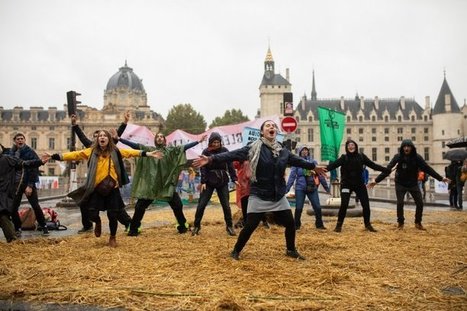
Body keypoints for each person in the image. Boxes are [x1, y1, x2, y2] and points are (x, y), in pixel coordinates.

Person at [193, 120, 327, 260]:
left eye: (274, 126)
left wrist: (313, 167)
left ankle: (291, 250)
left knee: (290, 223)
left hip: (277, 194)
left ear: (276, 131)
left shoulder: (282, 150)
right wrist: (210, 159)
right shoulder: (253, 148)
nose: (272, 127)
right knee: (250, 225)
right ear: (262, 132)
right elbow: (231, 155)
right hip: (259, 194)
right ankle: (235, 251)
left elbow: (297, 160)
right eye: (268, 125)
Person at [48, 130, 162, 247]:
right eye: (100, 136)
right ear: (98, 140)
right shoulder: (91, 151)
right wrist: (55, 156)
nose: (102, 137)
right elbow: (75, 154)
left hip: (112, 188)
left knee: (113, 215)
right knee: (91, 212)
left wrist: (148, 154)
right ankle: (97, 222)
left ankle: (112, 237)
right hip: (96, 188)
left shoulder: (116, 151)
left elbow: (131, 152)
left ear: (109, 139)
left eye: (104, 136)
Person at [116, 127, 207, 236]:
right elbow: (135, 146)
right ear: (155, 140)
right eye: (157, 137)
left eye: (161, 137)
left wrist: (198, 141)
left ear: (164, 140)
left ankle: (182, 226)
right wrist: (120, 139)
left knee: (177, 205)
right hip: (152, 185)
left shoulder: (171, 151)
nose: (159, 138)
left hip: (166, 185)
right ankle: (134, 229)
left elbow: (183, 147)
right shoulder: (149, 150)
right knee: (140, 206)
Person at [369, 139, 450, 230]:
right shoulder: (398, 157)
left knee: (420, 203)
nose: (406, 148)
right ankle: (400, 223)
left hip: (412, 183)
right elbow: (387, 170)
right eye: (404, 147)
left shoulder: (417, 157)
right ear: (402, 148)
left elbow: (427, 169)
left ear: (412, 148)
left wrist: (440, 178)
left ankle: (418, 222)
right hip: (400, 183)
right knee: (400, 203)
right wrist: (376, 181)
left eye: (408, 146)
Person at [71, 113, 132, 233]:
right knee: (84, 203)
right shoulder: (91, 147)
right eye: (96, 137)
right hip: (94, 183)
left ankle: (128, 223)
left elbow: (116, 134)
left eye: (101, 136)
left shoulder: (110, 146)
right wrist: (75, 125)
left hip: (108, 183)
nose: (99, 139)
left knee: (116, 209)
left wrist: (124, 123)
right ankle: (88, 225)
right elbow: (82, 137)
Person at [326, 139, 390, 233]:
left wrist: (385, 170)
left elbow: (373, 165)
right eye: (349, 145)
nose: (351, 147)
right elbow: (332, 166)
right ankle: (338, 226)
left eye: (352, 145)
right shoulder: (344, 157)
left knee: (366, 205)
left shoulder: (361, 157)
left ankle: (367, 225)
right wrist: (317, 171)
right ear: (347, 148)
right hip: (346, 185)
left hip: (359, 185)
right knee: (344, 204)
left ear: (355, 146)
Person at [192, 132, 238, 236]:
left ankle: (229, 226)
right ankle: (196, 226)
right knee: (201, 204)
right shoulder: (206, 151)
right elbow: (202, 167)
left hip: (222, 181)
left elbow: (230, 165)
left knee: (226, 205)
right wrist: (203, 181)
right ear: (210, 142)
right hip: (209, 181)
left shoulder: (225, 151)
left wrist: (234, 178)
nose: (216, 144)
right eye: (214, 142)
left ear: (220, 142)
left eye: (218, 142)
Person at [0, 144, 48, 242]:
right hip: (8, 190)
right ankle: (14, 232)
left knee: (3, 214)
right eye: (18, 139)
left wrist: (39, 162)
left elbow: (25, 164)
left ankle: (13, 237)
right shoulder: (9, 156)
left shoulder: (7, 159)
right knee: (8, 212)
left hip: (7, 191)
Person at [8, 133, 50, 236]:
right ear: (15, 141)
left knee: (35, 206)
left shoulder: (30, 152)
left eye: (22, 139)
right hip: (16, 184)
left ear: (25, 140)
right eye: (18, 139)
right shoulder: (11, 153)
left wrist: (30, 185)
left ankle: (44, 226)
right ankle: (18, 228)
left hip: (27, 183)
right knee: (13, 208)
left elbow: (34, 169)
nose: (20, 140)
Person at [286, 146, 330, 230]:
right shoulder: (296, 163)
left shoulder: (313, 162)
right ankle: (296, 225)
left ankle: (319, 225)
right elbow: (292, 176)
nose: (305, 151)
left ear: (308, 152)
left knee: (317, 207)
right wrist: (287, 189)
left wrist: (326, 187)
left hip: (312, 187)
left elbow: (320, 175)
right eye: (303, 150)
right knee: (299, 207)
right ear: (300, 152)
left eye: (306, 150)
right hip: (300, 188)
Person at [233, 160, 269, 229]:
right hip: (244, 184)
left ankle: (264, 220)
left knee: (257, 203)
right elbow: (234, 164)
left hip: (253, 183)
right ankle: (246, 222)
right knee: (245, 202)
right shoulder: (241, 157)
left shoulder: (256, 156)